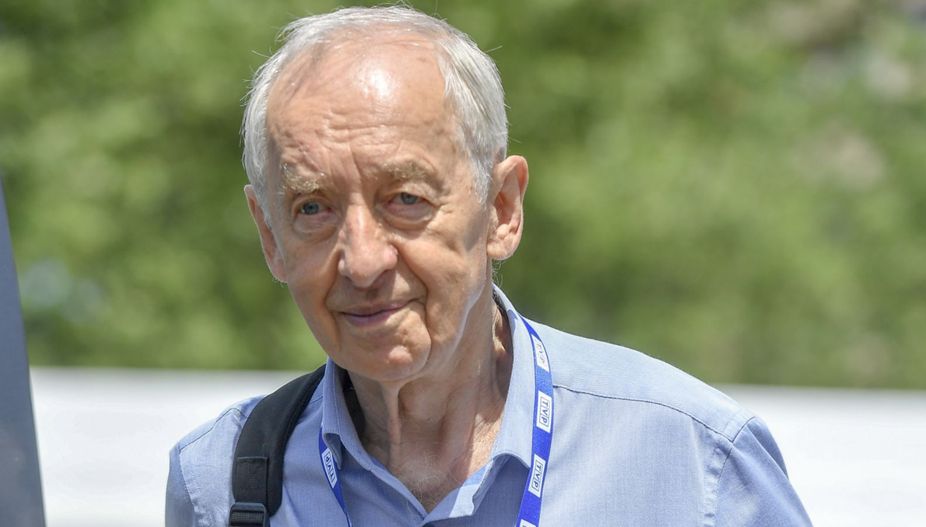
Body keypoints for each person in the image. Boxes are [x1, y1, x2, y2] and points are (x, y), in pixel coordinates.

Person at [166, 6, 811, 526]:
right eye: (312, 208)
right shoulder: (222, 485)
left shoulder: (695, 463)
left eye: (406, 200)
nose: (362, 261)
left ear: (501, 209)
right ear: (269, 236)